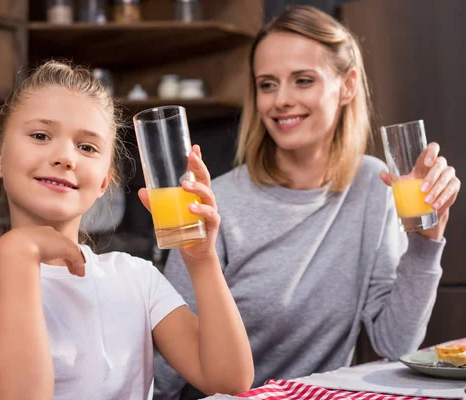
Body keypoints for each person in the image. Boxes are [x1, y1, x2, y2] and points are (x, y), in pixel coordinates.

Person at [153, 5, 461, 400]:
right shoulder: (216, 204)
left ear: (347, 85)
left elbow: (394, 343)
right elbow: (164, 366)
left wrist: (425, 243)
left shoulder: (375, 185)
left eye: (302, 80)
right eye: (267, 84)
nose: (281, 100)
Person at [0, 60, 254, 400]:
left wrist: (201, 258)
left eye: (87, 147)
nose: (66, 157)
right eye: (40, 135)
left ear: (103, 182)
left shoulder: (138, 279)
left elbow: (229, 381)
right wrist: (18, 251)